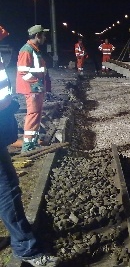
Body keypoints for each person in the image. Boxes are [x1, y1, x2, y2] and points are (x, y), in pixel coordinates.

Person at [1, 48, 59, 266]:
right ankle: (26, 249)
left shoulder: (29, 50)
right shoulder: (27, 51)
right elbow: (24, 72)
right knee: (7, 190)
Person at [16, 25, 51, 153]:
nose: (45, 38)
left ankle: (33, 142)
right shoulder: (27, 50)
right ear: (37, 36)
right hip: (32, 89)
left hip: (36, 88)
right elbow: (23, 72)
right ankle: (28, 147)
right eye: (43, 35)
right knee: (33, 115)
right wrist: (36, 83)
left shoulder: (34, 49)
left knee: (36, 115)